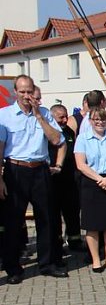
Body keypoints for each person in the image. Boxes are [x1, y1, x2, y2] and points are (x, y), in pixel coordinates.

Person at [0, 74, 66, 283]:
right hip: (15, 169)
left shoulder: (45, 113)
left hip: (40, 169)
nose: (27, 96)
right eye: (22, 92)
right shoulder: (5, 115)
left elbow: (57, 140)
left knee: (46, 219)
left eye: (30, 91)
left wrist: (39, 116)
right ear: (15, 93)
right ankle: (13, 268)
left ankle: (47, 264)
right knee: (13, 220)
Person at [74, 107, 106, 272]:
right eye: (96, 120)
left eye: (103, 119)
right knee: (92, 225)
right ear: (90, 122)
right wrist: (100, 179)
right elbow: (81, 164)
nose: (100, 123)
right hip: (91, 182)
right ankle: (96, 260)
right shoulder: (82, 139)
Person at [48, 103, 83, 256]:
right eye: (60, 117)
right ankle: (56, 244)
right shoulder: (48, 133)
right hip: (53, 180)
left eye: (65, 116)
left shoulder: (69, 131)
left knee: (73, 212)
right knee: (54, 214)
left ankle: (75, 241)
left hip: (70, 179)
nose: (64, 120)